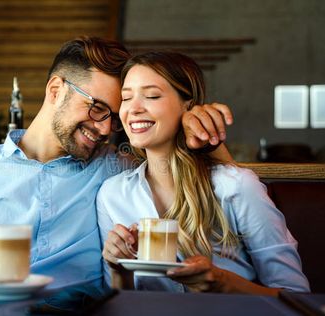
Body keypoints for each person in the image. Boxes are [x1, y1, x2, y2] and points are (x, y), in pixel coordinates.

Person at [0, 37, 234, 289]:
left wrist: (200, 130)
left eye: (114, 118)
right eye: (97, 109)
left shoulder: (116, 170)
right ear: (56, 90)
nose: (105, 129)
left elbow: (181, 162)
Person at [97, 51, 310, 295]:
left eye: (152, 95)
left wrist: (223, 282)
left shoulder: (236, 186)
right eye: (125, 98)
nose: (133, 109)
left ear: (188, 105)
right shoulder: (112, 194)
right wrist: (118, 269)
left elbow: (298, 297)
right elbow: (116, 300)